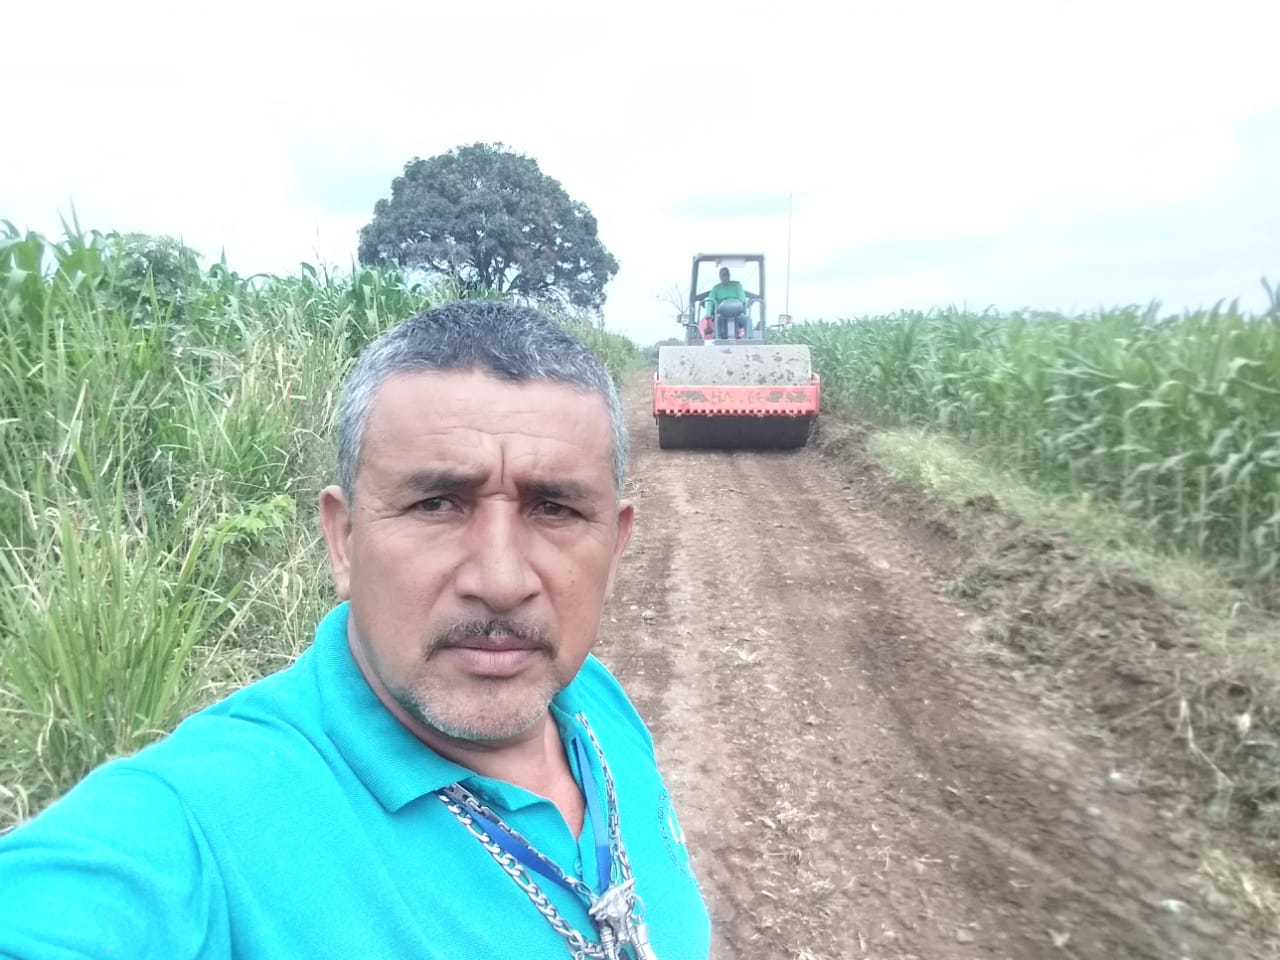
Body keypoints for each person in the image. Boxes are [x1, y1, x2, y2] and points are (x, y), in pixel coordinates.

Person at [0, 300, 712, 959]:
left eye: (554, 509)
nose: (500, 581)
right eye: (437, 504)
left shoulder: (594, 702)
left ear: (615, 548)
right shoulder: (202, 826)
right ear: (342, 540)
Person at [702, 267, 756, 340]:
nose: (724, 277)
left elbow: (742, 298)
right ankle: (717, 339)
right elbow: (710, 301)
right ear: (720, 277)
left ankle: (749, 339)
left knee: (747, 319)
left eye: (726, 275)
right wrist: (708, 313)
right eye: (722, 275)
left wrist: (734, 306)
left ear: (729, 275)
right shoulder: (716, 288)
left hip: (737, 313)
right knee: (717, 319)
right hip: (722, 314)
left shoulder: (737, 285)